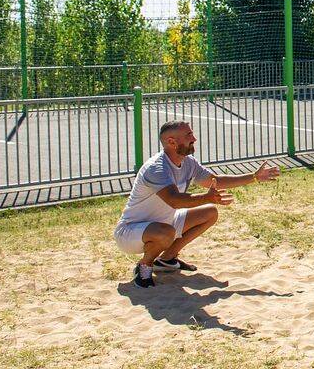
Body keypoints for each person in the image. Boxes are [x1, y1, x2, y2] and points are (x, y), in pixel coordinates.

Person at [114, 120, 281, 288]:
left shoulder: (188, 162)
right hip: (131, 232)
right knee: (166, 232)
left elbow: (215, 181)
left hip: (165, 223)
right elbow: (175, 200)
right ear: (171, 142)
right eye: (188, 135)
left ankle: (166, 260)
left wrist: (253, 177)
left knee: (209, 212)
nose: (194, 138)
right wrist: (206, 197)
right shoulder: (156, 168)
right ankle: (144, 267)